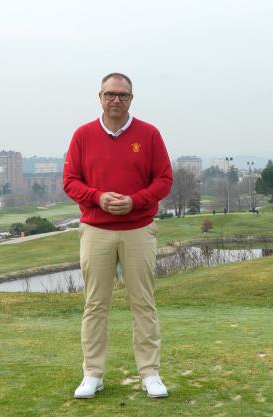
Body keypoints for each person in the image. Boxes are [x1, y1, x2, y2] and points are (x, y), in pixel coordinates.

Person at [63, 73, 173, 399]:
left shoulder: (149, 134)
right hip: (96, 230)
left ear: (131, 99)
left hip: (138, 229)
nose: (116, 100)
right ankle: (92, 374)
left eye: (122, 95)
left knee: (143, 303)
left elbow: (164, 180)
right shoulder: (83, 135)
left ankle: (150, 373)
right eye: (110, 94)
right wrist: (97, 198)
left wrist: (135, 201)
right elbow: (70, 181)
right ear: (100, 97)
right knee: (95, 304)